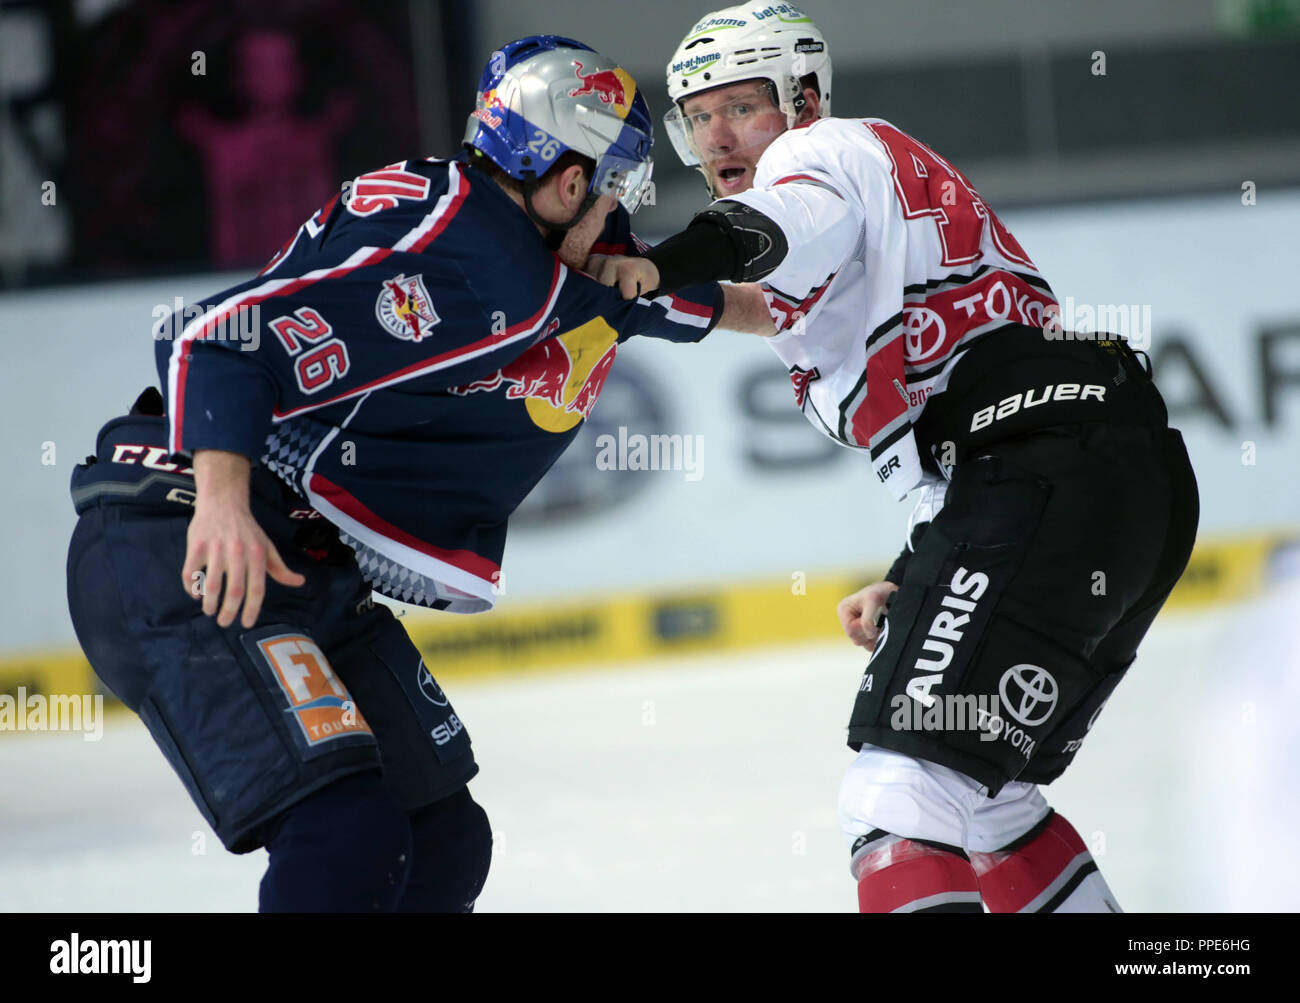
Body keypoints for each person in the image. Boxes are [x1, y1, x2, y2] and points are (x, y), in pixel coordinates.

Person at [65, 35, 746, 912]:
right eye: (610, 187)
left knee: (442, 839)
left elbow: (702, 300)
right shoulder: (468, 263)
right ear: (569, 182)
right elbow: (216, 336)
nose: (617, 213)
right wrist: (225, 501)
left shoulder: (530, 247)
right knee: (345, 834)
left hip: (295, 548)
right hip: (189, 534)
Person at [595, 4, 1199, 913]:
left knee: (897, 796)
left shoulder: (813, 154)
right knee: (986, 806)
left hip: (1043, 482)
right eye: (696, 115)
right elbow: (776, 294)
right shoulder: (877, 187)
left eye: (741, 106)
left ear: (802, 98)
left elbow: (762, 231)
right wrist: (917, 565)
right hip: (1120, 480)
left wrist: (652, 266)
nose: (716, 135)